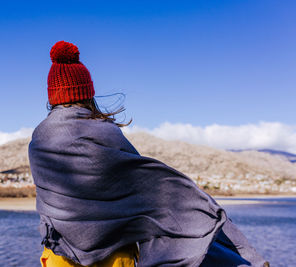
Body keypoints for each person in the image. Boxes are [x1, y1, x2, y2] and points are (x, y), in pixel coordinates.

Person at [28, 41, 269, 267]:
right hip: (114, 257)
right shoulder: (106, 133)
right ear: (88, 94)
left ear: (52, 96)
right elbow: (146, 189)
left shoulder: (38, 141)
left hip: (59, 257)